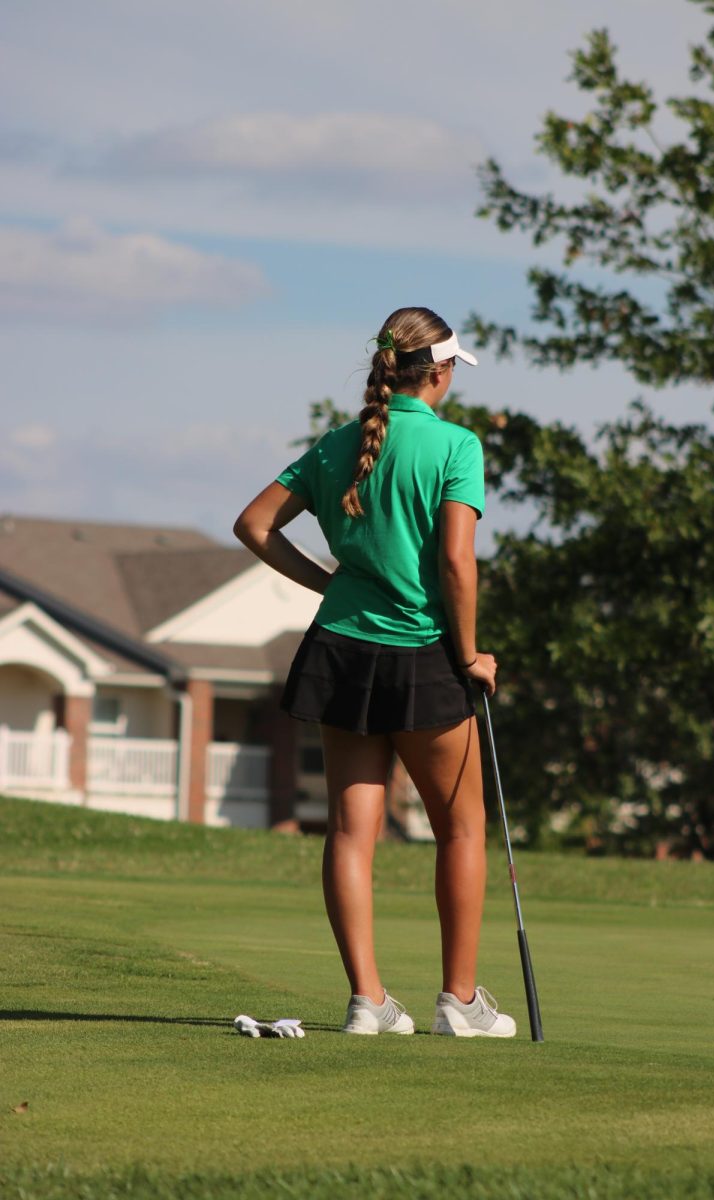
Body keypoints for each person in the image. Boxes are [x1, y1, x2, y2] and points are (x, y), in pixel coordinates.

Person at [234, 306, 516, 1038]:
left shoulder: (336, 444)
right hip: (423, 651)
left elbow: (255, 525)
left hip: (340, 649)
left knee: (352, 833)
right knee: (460, 828)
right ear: (442, 371)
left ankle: (369, 1001)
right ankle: (458, 1002)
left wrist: (329, 583)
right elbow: (456, 561)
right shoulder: (455, 445)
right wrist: (472, 653)